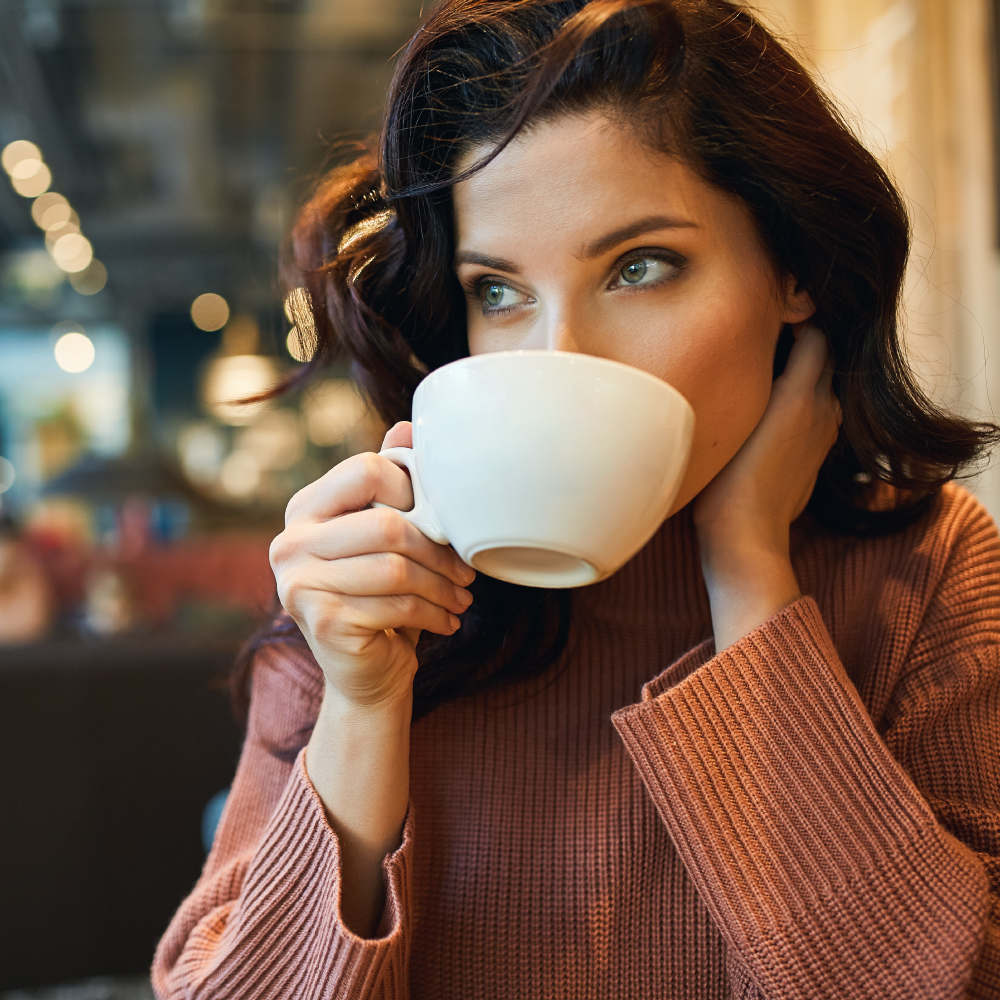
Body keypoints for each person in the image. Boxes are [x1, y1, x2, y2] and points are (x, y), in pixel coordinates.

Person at [152, 0, 1000, 996]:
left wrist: (748, 572)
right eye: (498, 291)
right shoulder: (369, 578)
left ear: (792, 272)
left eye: (640, 268)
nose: (558, 360)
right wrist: (363, 704)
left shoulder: (929, 566)